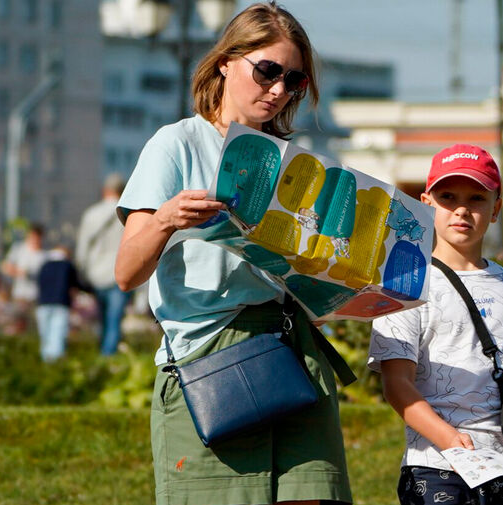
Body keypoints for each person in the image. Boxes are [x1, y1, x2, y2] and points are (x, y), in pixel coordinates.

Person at [113, 3, 351, 505]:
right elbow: (126, 272)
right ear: (226, 60)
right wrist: (165, 219)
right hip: (212, 357)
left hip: (295, 350)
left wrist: (344, 282)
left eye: (294, 81)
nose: (278, 90)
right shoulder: (176, 144)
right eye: (267, 71)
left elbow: (317, 282)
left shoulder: (297, 162)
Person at [367, 144, 503, 505]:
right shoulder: (404, 284)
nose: (462, 209)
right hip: (437, 468)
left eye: (477, 198)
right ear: (426, 203)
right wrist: (447, 438)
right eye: (448, 196)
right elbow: (397, 384)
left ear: (496, 209)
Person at [76, 172, 131, 355]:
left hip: (96, 275)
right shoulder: (127, 213)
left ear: (104, 190)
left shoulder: (91, 214)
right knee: (114, 320)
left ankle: (102, 355)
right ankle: (108, 358)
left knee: (102, 320)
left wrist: (82, 272)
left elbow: (82, 248)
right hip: (119, 274)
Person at [35, 246, 84, 362]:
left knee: (46, 337)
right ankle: (56, 365)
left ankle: (46, 363)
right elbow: (76, 284)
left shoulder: (44, 265)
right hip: (61, 304)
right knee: (57, 336)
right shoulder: (67, 265)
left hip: (43, 304)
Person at [2, 223, 48, 305]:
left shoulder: (44, 256)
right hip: (19, 296)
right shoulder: (19, 249)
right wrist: (21, 272)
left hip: (35, 298)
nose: (34, 240)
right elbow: (6, 267)